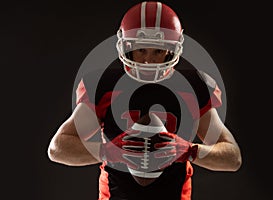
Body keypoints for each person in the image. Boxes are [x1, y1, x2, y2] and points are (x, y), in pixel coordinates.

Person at [47, 1, 242, 200]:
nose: (149, 60)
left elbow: (232, 157)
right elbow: (58, 148)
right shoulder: (105, 85)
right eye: (141, 50)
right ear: (127, 47)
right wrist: (109, 152)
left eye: (158, 51)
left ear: (172, 50)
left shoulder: (191, 87)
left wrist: (189, 151)